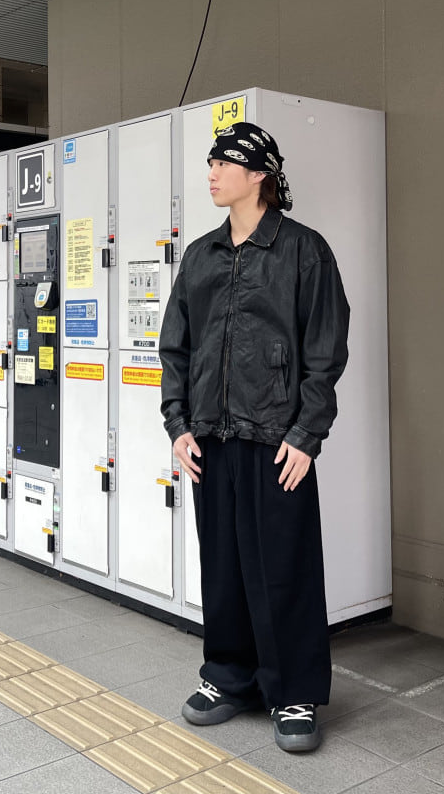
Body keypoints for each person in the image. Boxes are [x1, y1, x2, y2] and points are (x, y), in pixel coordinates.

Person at [159, 121, 349, 752]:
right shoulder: (201, 255)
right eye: (211, 162)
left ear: (259, 174)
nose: (211, 173)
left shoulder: (303, 251)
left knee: (284, 569)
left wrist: (306, 433)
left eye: (224, 163)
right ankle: (229, 677)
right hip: (211, 438)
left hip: (278, 442)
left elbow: (325, 351)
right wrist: (178, 423)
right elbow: (176, 347)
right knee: (223, 566)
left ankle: (293, 692)